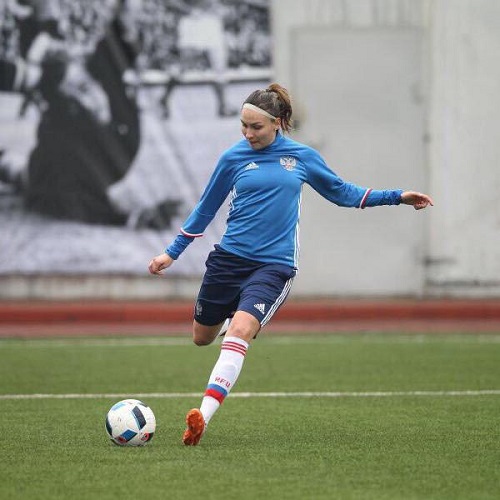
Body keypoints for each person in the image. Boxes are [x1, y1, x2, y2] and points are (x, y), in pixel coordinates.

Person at [148, 83, 434, 446]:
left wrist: (397, 197)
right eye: (243, 126)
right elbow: (206, 209)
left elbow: (343, 193)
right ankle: (237, 320)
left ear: (278, 123)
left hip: (274, 266)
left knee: (239, 332)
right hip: (228, 261)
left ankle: (201, 417)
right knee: (201, 337)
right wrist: (171, 253)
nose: (248, 133)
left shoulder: (302, 158)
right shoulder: (232, 158)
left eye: (256, 127)